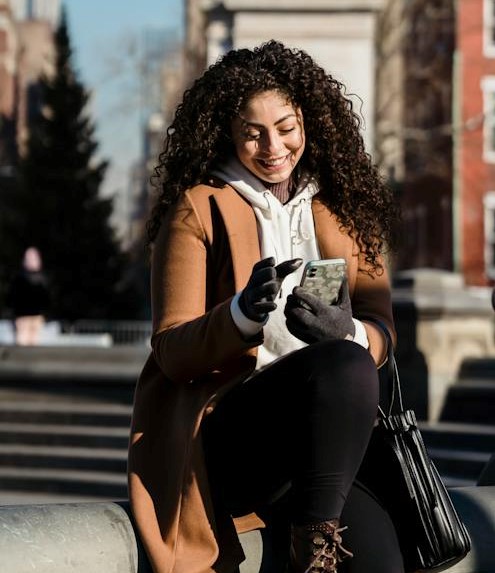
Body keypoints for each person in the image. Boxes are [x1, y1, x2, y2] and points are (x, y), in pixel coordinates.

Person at [128, 40, 402, 573]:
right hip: (233, 434)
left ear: (309, 123)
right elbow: (171, 351)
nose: (272, 146)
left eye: (286, 127)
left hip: (324, 439)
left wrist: (349, 332)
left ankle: (310, 538)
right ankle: (316, 552)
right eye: (252, 132)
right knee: (343, 364)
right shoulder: (198, 208)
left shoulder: (344, 210)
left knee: (382, 562)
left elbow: (384, 333)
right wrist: (241, 315)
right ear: (227, 133)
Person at [7, 247, 50, 346]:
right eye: (29, 258)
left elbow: (47, 299)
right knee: (22, 345)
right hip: (22, 319)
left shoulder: (43, 279)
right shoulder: (18, 278)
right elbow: (12, 298)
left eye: (34, 258)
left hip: (38, 318)